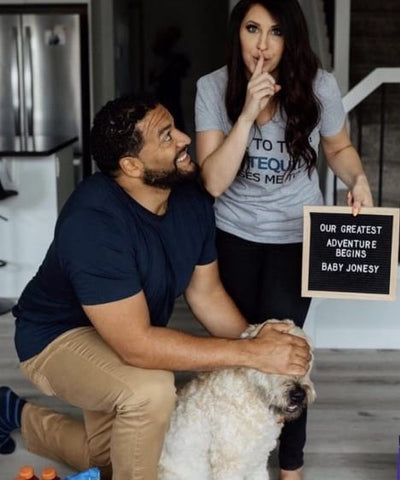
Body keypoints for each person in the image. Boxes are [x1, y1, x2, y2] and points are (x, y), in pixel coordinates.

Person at [0, 95, 311, 480]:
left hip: (120, 327)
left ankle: (12, 412)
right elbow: (138, 346)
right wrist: (251, 354)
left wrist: (265, 348)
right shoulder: (93, 222)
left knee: (119, 456)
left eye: (175, 126)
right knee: (151, 391)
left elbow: (206, 293)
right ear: (132, 165)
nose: (184, 138)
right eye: (167, 137)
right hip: (55, 337)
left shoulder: (190, 197)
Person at [194, 1, 373, 479]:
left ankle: (290, 466)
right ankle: (234, 453)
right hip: (232, 236)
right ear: (239, 33)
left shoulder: (320, 86)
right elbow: (213, 181)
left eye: (275, 33)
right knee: (236, 351)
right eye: (253, 30)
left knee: (286, 354)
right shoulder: (212, 88)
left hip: (297, 238)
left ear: (291, 37)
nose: (262, 45)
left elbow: (339, 147)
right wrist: (249, 112)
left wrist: (356, 179)